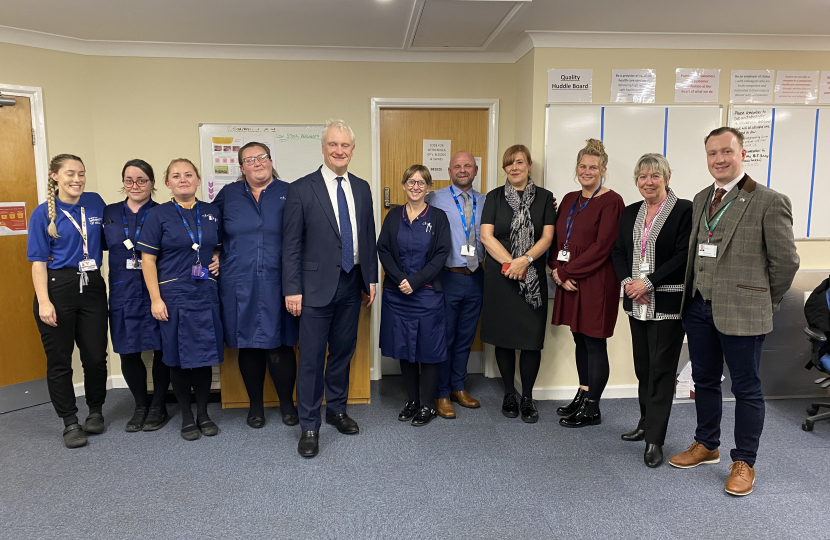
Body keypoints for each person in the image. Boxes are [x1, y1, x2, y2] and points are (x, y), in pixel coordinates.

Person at [668, 127, 799, 496]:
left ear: (742, 154)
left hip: (744, 311)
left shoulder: (769, 201)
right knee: (704, 380)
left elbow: (786, 263)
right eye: (712, 153)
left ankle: (744, 461)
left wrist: (764, 302)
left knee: (746, 388)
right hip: (698, 307)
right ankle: (706, 444)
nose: (719, 159)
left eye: (726, 151)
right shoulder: (700, 198)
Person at [283, 119, 378, 458]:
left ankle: (336, 410)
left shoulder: (362, 187)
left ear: (352, 150)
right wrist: (292, 288)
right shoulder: (301, 189)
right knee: (310, 358)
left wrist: (371, 278)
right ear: (323, 148)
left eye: (345, 145)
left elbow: (367, 235)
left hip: (352, 284)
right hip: (313, 289)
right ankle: (309, 425)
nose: (339, 151)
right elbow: (291, 244)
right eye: (333, 145)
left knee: (342, 352)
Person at [611, 153, 692, 467]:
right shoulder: (631, 211)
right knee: (643, 368)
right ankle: (645, 422)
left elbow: (683, 257)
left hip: (667, 303)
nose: (648, 182)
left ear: (667, 178)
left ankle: (655, 440)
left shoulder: (684, 210)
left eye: (655, 176)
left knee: (661, 371)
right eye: (643, 176)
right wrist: (629, 283)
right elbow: (619, 252)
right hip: (636, 302)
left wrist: (648, 283)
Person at [213, 142, 299, 429]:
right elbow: (210, 229)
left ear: (271, 161)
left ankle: (287, 403)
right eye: (249, 160)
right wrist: (213, 252)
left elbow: (305, 235)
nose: (257, 163)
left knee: (282, 343)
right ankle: (255, 405)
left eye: (262, 157)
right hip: (240, 281)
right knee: (248, 344)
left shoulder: (290, 192)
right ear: (241, 168)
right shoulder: (229, 195)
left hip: (280, 280)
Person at [138, 158, 223, 441]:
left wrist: (217, 257)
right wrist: (155, 299)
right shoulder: (158, 215)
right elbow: (148, 260)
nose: (183, 179)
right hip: (173, 296)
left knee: (204, 356)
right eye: (176, 176)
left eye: (188, 175)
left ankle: (204, 414)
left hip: (206, 293)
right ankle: (187, 416)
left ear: (198, 180)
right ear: (167, 183)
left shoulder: (211, 212)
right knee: (177, 357)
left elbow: (217, 246)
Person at [27, 154, 109, 449]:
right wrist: (44, 302)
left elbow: (111, 237)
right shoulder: (42, 214)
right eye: (70, 173)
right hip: (56, 287)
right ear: (55, 176)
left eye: (81, 173)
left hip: (92, 285)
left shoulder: (95, 202)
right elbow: (38, 263)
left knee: (95, 356)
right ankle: (70, 422)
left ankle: (95, 411)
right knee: (60, 359)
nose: (77, 179)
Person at [550, 139, 624, 428]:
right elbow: (558, 241)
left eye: (593, 167)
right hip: (568, 278)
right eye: (582, 166)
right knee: (578, 337)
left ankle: (593, 407)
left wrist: (567, 272)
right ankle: (583, 394)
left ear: (603, 170)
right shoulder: (569, 199)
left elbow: (602, 247)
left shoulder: (612, 201)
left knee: (594, 342)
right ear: (576, 168)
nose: (587, 171)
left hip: (596, 281)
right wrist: (557, 270)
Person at [480, 145, 555, 423]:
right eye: (509, 164)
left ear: (529, 165)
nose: (514, 168)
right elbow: (487, 236)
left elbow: (547, 238)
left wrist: (525, 261)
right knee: (505, 338)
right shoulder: (494, 197)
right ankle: (509, 393)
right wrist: (512, 264)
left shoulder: (545, 198)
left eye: (519, 162)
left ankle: (528, 397)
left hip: (532, 276)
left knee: (531, 341)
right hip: (502, 276)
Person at [377, 165, 451, 427]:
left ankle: (428, 405)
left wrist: (416, 281)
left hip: (427, 293)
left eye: (421, 182)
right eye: (411, 181)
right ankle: (412, 401)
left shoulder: (438, 218)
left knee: (428, 350)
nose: (416, 187)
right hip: (397, 294)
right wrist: (400, 279)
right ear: (404, 185)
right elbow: (383, 250)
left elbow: (441, 254)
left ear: (428, 187)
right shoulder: (393, 216)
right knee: (404, 347)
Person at [102, 159, 169, 432]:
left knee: (162, 349)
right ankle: (140, 405)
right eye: (129, 180)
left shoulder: (163, 213)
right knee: (128, 350)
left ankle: (159, 406)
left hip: (157, 290)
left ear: (152, 183)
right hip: (123, 291)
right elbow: (92, 244)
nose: (135, 185)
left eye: (142, 180)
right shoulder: (109, 212)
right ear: (123, 183)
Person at [424, 151, 486, 419]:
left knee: (465, 336)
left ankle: (458, 387)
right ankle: (441, 392)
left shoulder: (487, 201)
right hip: (447, 276)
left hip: (476, 276)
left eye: (468, 166)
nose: (463, 170)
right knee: (445, 337)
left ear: (475, 170)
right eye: (457, 166)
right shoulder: (434, 198)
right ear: (449, 171)